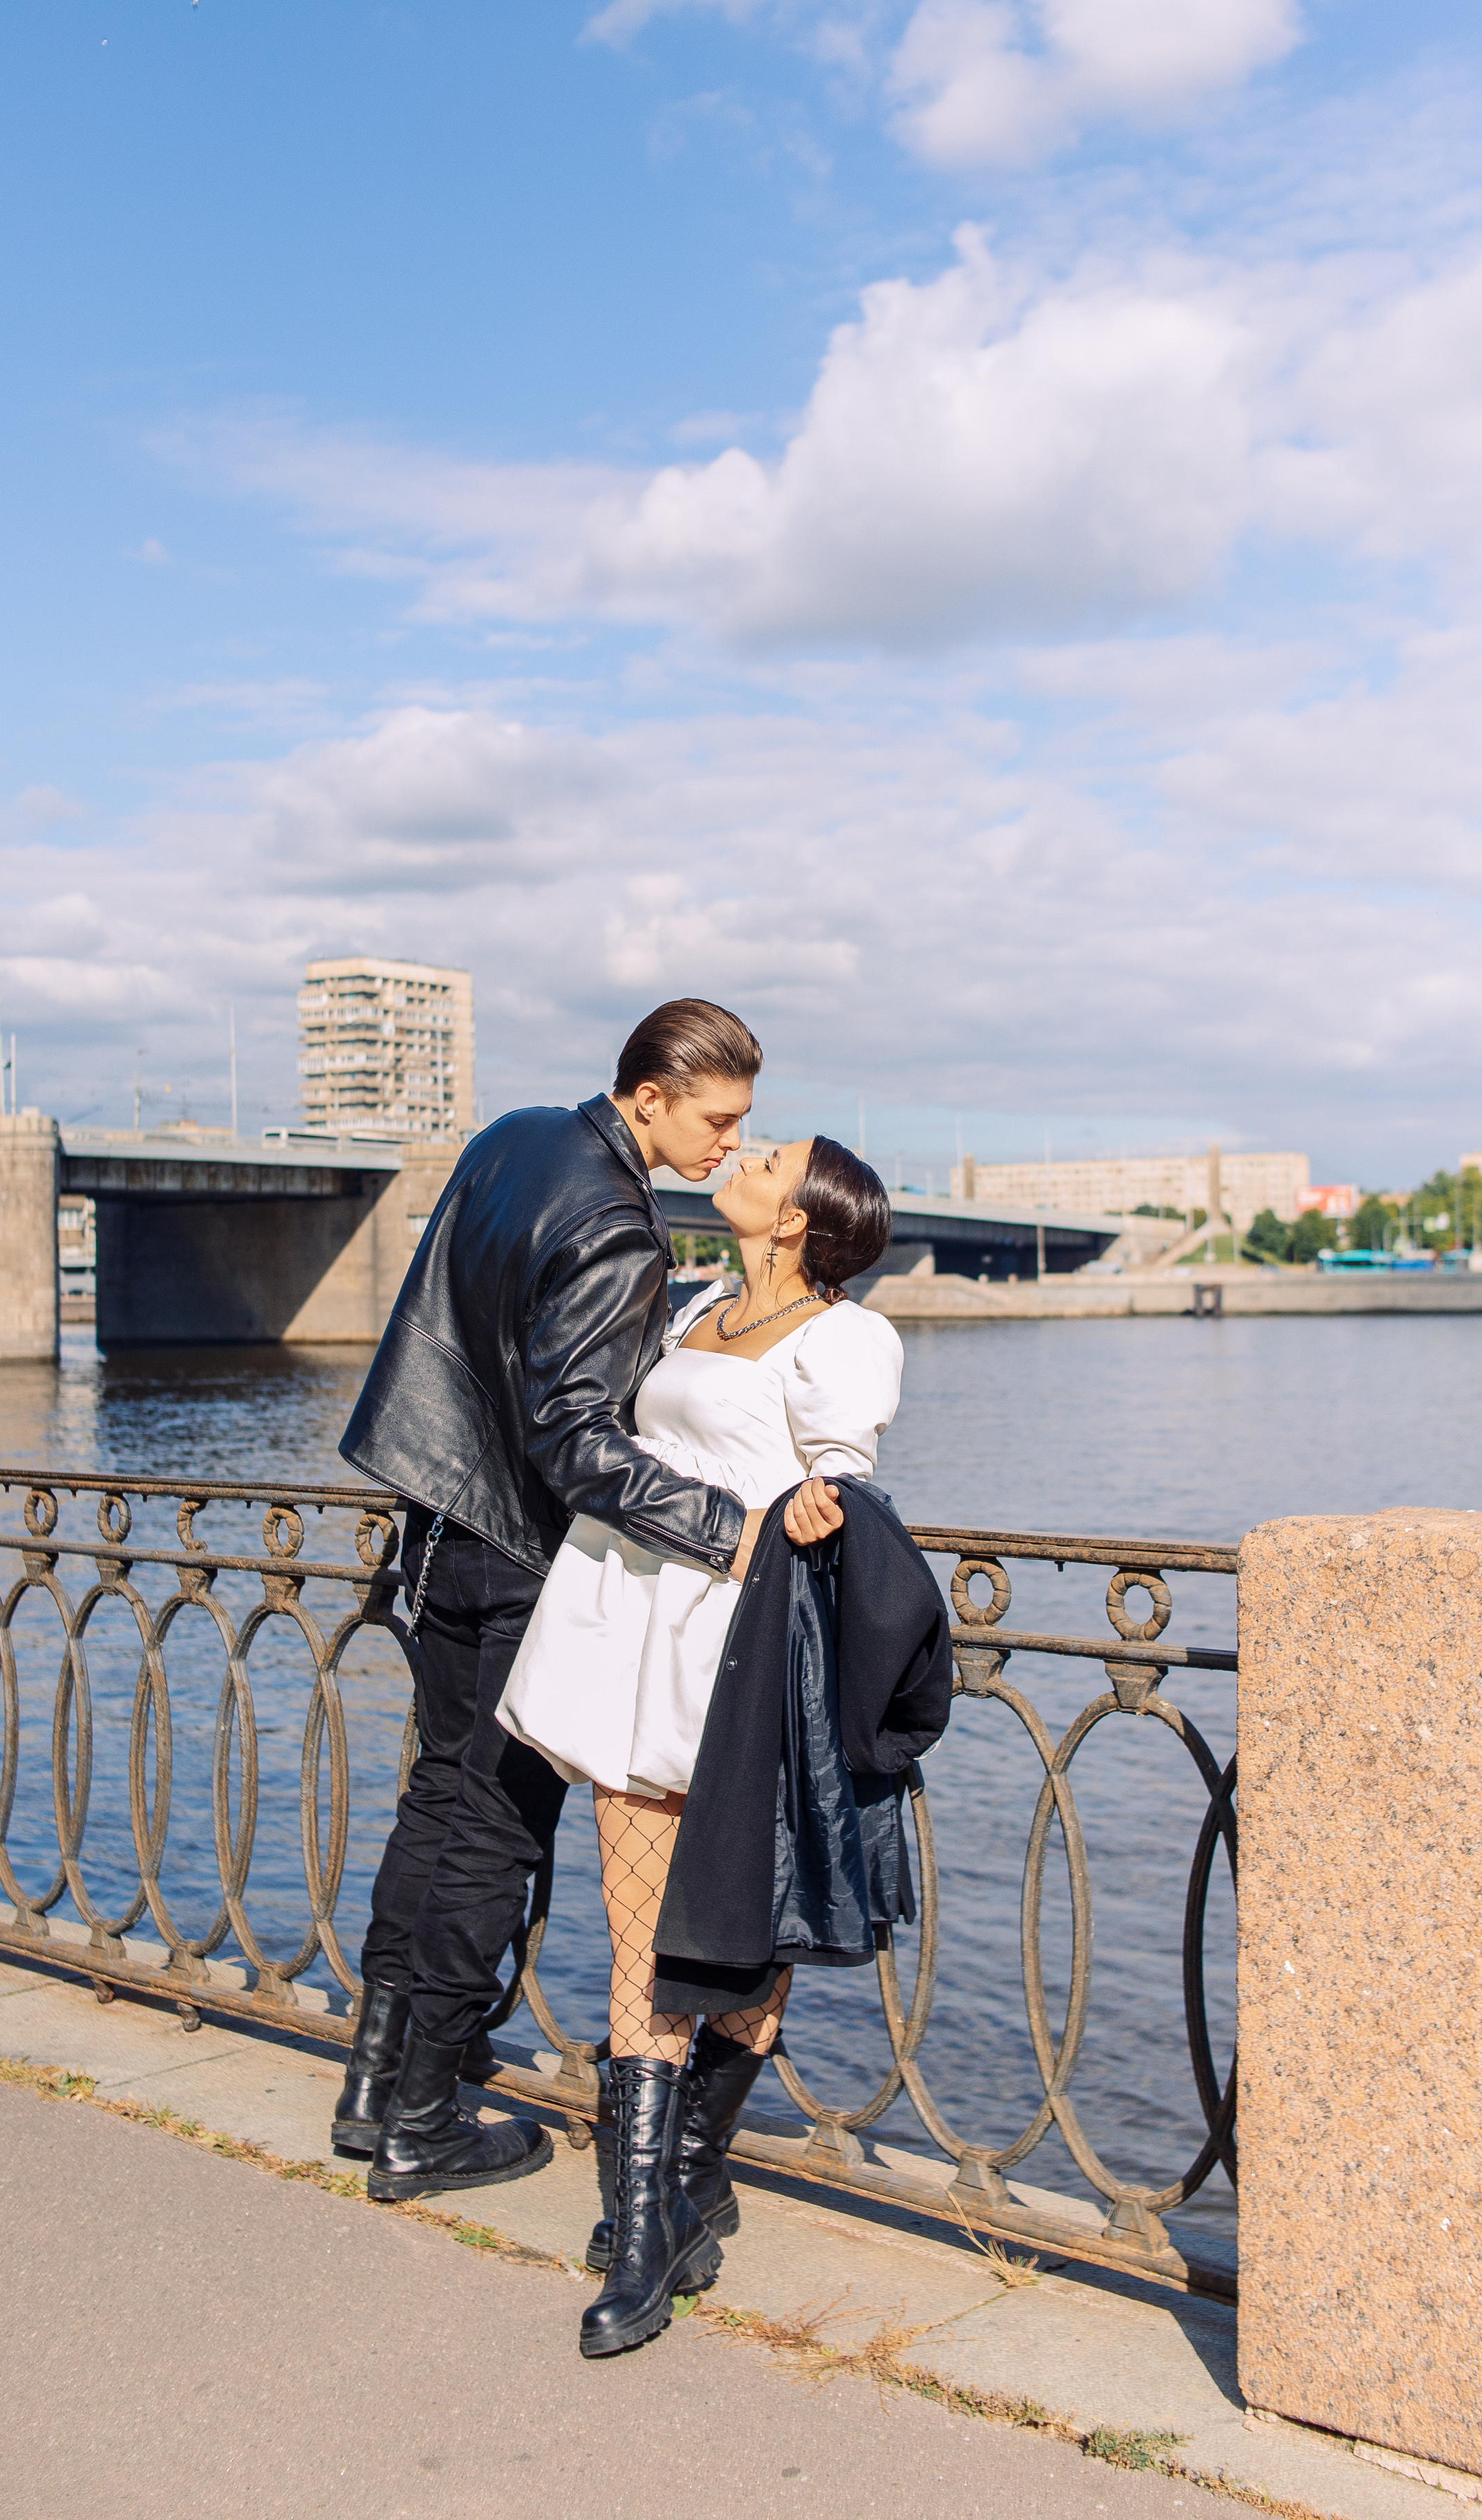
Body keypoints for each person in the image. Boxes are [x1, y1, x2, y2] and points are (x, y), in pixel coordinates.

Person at [330, 998, 836, 2203]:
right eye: (719, 1119)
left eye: (745, 1125)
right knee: (493, 1830)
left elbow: (464, 1328)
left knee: (437, 1799)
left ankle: (375, 2081)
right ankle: (422, 2120)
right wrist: (732, 1527)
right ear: (651, 1095)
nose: (728, 1142)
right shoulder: (620, 1223)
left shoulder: (513, 1136)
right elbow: (577, 1442)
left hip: (438, 1521)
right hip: (516, 1549)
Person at [496, 1134, 903, 2356]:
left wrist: (819, 1503)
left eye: (772, 1158)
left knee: (735, 1939)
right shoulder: (694, 1306)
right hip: (629, 1624)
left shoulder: (845, 1337)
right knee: (640, 1939)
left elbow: (838, 1479)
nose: (746, 1151)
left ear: (799, 1219)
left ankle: (680, 2180)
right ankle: (646, 2225)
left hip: (731, 1644)